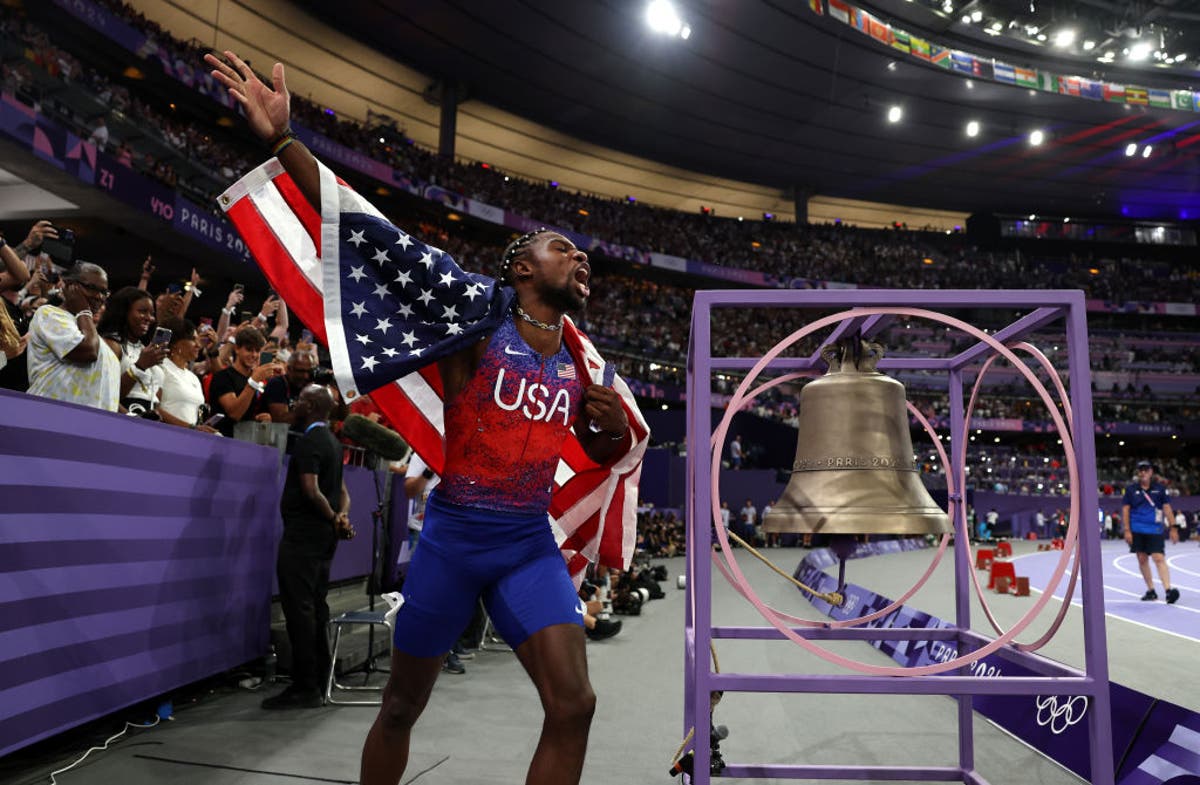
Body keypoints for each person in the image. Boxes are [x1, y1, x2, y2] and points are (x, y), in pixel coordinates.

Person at [207, 49, 645, 785]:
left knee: (574, 705)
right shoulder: (474, 315)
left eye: (582, 252)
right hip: (455, 536)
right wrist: (284, 141)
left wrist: (606, 424)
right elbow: (375, 237)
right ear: (521, 267)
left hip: (526, 541)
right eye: (560, 246)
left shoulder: (578, 358)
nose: (580, 257)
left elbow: (596, 450)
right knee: (403, 705)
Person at [261, 384, 354, 709]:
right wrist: (340, 517)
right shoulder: (331, 440)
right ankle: (319, 677)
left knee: (300, 611)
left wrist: (332, 518)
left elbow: (312, 490)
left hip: (303, 538)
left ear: (312, 405)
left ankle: (305, 686)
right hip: (323, 539)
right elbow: (344, 492)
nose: (295, 403)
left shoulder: (309, 441)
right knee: (316, 607)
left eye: (300, 399)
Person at [26, 261, 120, 411]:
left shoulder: (94, 335)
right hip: (50, 418)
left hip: (91, 427)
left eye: (104, 292)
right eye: (91, 288)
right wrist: (83, 310)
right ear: (69, 285)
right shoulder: (49, 314)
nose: (99, 296)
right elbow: (88, 352)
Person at [97, 287, 168, 417]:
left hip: (146, 421)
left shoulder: (145, 348)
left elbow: (154, 398)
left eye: (152, 313)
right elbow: (105, 394)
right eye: (142, 311)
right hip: (121, 420)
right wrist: (139, 367)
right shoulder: (111, 344)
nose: (149, 318)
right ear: (123, 312)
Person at [207, 324, 284, 437]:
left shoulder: (256, 379)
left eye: (257, 351)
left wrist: (260, 418)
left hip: (246, 442)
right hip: (220, 442)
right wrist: (253, 381)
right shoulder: (223, 377)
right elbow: (234, 413)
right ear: (237, 349)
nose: (254, 355)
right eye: (249, 350)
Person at [1122, 460, 1179, 604]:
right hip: (1137, 530)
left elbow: (1167, 508)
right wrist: (1127, 530)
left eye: (1146, 470)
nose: (1143, 473)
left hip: (1155, 530)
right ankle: (1151, 590)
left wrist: (1173, 527)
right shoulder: (1131, 490)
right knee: (1142, 559)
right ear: (1138, 472)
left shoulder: (1160, 489)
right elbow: (1126, 510)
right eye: (1140, 470)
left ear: (1151, 472)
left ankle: (1168, 590)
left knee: (1158, 557)